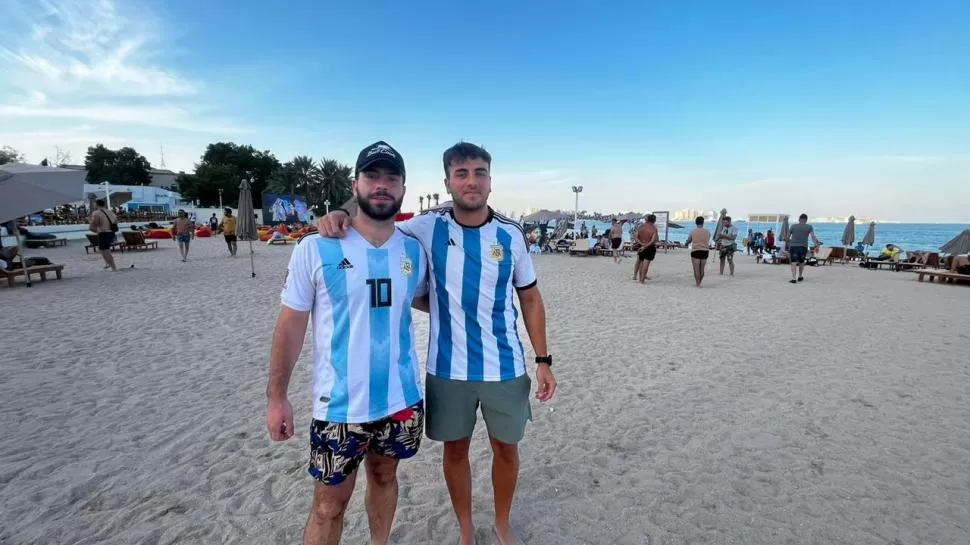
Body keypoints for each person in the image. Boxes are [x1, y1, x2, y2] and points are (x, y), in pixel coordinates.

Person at [317, 141, 557, 545]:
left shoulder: (511, 234)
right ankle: (464, 527)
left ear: (490, 181)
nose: (471, 181)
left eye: (479, 172)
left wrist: (544, 359)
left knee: (507, 451)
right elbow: (378, 212)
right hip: (447, 370)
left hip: (505, 366)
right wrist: (342, 210)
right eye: (461, 173)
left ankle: (501, 522)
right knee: (455, 453)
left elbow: (530, 297)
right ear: (447, 182)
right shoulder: (426, 227)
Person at [266, 141, 429, 545]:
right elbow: (289, 326)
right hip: (338, 405)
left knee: (385, 476)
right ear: (355, 184)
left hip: (400, 398)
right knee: (328, 504)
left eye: (391, 178)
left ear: (403, 189)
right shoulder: (315, 247)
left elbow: (424, 298)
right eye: (372, 176)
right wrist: (276, 397)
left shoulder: (413, 249)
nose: (381, 186)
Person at [786, 213, 820, 283]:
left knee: (793, 262)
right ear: (806, 220)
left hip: (794, 246)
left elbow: (787, 237)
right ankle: (800, 276)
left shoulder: (793, 226)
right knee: (801, 262)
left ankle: (794, 278)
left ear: (799, 219)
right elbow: (813, 237)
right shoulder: (809, 227)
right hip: (803, 247)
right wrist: (816, 245)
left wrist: (787, 245)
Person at [88, 198, 118, 271]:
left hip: (103, 233)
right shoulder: (110, 212)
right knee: (103, 249)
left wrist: (90, 222)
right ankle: (108, 263)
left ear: (96, 204)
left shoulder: (96, 213)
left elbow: (95, 225)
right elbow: (115, 221)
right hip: (111, 232)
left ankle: (113, 267)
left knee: (106, 251)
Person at [685, 216, 711, 287]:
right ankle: (699, 282)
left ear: (696, 223)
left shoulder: (693, 231)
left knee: (696, 268)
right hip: (705, 251)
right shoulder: (707, 232)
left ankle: (697, 284)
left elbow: (689, 240)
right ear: (703, 222)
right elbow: (707, 240)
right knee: (702, 269)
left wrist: (686, 243)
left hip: (695, 251)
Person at [635, 215, 658, 283]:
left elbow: (636, 237)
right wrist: (645, 246)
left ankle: (640, 279)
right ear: (654, 221)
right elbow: (653, 241)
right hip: (649, 247)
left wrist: (641, 244)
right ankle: (642, 280)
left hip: (641, 245)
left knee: (641, 263)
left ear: (647, 219)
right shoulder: (654, 229)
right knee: (646, 264)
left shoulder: (641, 226)